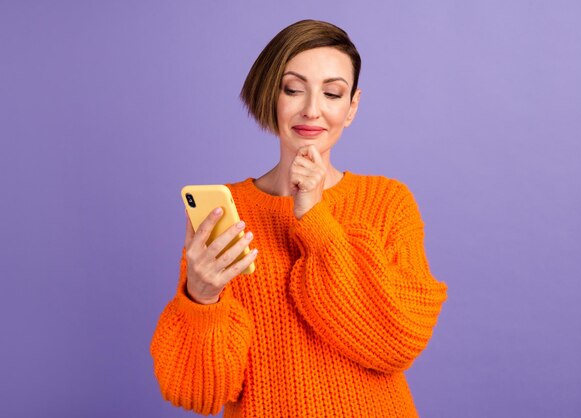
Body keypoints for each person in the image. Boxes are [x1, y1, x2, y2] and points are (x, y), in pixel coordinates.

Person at [150, 19, 448, 417]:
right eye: (293, 89)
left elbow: (398, 341)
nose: (312, 109)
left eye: (332, 93)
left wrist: (314, 216)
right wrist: (200, 297)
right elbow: (198, 392)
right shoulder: (230, 213)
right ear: (271, 95)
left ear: (351, 107)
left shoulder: (388, 202)